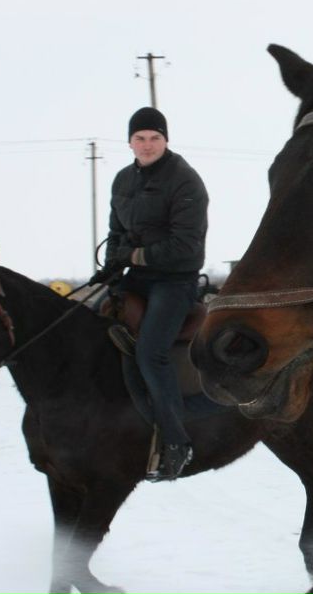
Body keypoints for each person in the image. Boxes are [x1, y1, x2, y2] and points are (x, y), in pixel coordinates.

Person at [94, 106, 209, 482]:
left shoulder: (185, 181)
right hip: (136, 278)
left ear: (165, 140)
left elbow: (187, 247)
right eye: (140, 138)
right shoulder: (122, 180)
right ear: (129, 142)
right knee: (94, 328)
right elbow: (116, 232)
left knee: (150, 350)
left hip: (175, 280)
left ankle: (177, 441)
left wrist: (132, 256)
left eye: (154, 138)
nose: (147, 145)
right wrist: (113, 262)